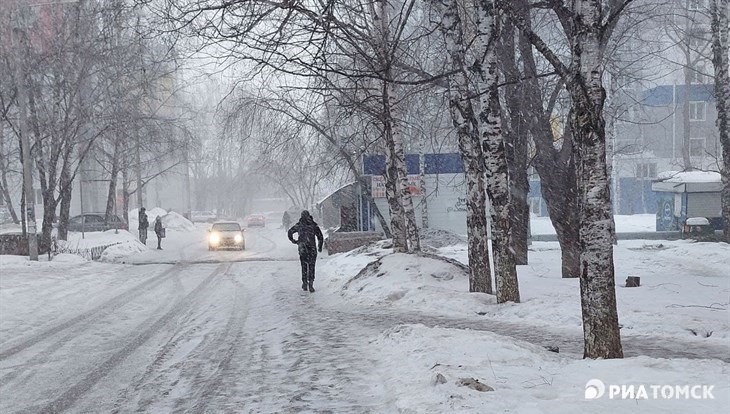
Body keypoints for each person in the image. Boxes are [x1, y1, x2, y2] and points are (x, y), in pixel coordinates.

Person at [287, 210, 324, 293]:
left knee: (304, 266)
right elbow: (320, 237)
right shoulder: (313, 225)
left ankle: (304, 283)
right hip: (312, 248)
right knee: (312, 266)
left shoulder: (299, 225)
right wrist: (320, 247)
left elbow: (290, 232)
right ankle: (311, 284)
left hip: (302, 248)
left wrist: (294, 240)